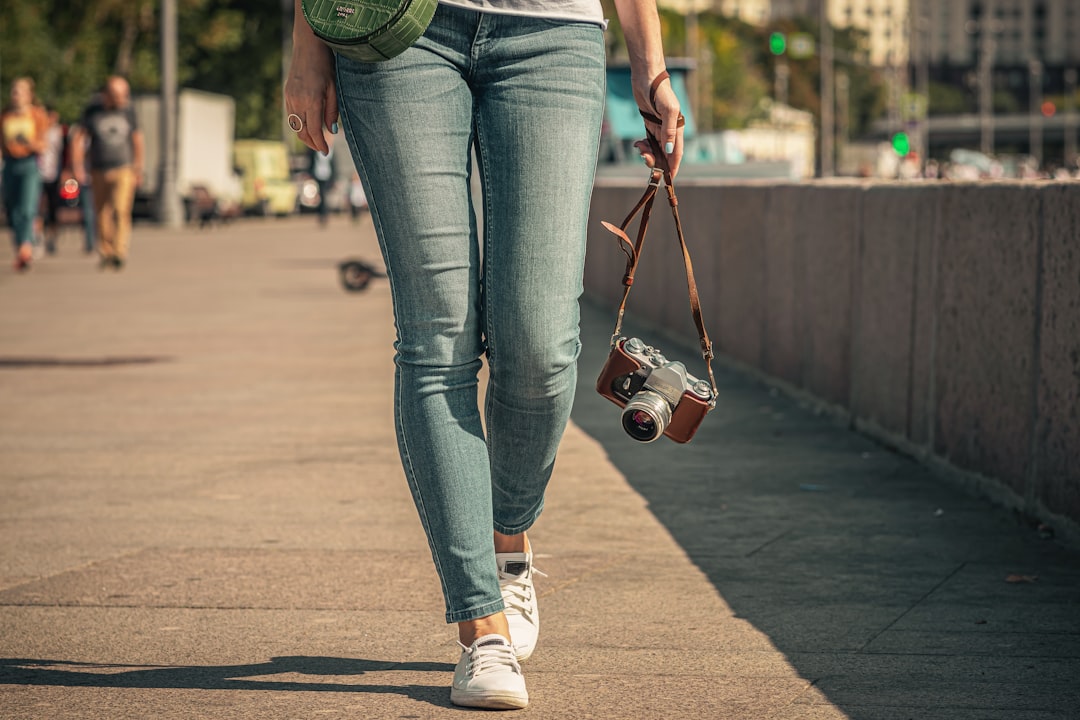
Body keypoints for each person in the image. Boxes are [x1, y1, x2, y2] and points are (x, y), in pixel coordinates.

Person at [286, 0, 683, 710]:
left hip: (554, 35)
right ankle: (481, 627)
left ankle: (507, 540)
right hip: (395, 29)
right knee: (437, 336)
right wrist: (308, 44)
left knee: (541, 344)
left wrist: (649, 65)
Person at [69, 77, 144, 271]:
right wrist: (77, 166)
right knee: (101, 212)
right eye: (118, 95)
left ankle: (119, 252)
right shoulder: (93, 111)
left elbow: (137, 140)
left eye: (124, 95)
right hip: (98, 168)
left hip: (124, 168)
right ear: (106, 94)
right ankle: (106, 251)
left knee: (121, 209)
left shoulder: (129, 111)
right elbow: (78, 137)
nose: (122, 99)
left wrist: (138, 168)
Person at [2, 77, 51, 272]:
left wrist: (27, 142)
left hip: (29, 163)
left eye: (20, 91)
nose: (16, 95)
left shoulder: (37, 115)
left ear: (30, 95)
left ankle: (26, 247)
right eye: (14, 91)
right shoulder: (5, 115)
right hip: (9, 164)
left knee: (27, 207)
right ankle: (21, 245)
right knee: (12, 209)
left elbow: (43, 144)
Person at [38, 106, 65, 255]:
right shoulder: (38, 131)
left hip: (55, 174)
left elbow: (65, 153)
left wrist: (66, 171)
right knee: (38, 208)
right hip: (38, 174)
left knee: (54, 209)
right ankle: (38, 237)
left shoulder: (60, 132)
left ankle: (52, 237)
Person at [308, 138, 338, 226]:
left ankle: (323, 214)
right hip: (318, 175)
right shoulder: (315, 150)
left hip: (327, 176)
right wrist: (310, 173)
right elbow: (311, 162)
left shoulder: (331, 151)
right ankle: (323, 214)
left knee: (324, 196)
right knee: (322, 196)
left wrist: (334, 178)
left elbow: (333, 165)